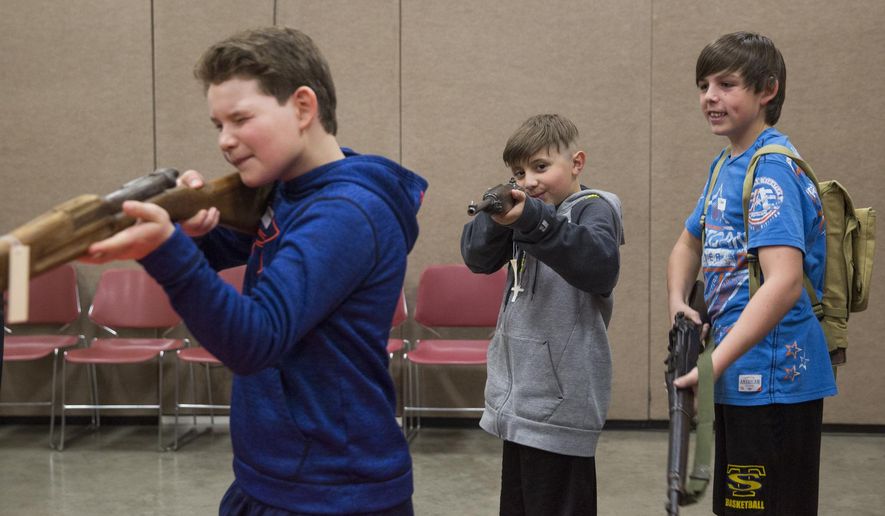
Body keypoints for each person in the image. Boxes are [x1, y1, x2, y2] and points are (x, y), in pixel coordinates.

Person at [83, 26, 427, 515]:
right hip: (272, 474)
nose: (225, 141)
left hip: (334, 490)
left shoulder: (348, 212)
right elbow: (232, 263)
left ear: (304, 107)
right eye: (217, 124)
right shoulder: (290, 189)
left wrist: (164, 245)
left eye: (241, 119)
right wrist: (192, 232)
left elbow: (254, 340)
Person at [667, 32, 837, 515]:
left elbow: (783, 282)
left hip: (774, 382)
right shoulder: (727, 164)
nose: (710, 97)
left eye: (727, 84)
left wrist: (713, 365)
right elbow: (687, 242)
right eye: (703, 85)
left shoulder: (772, 170)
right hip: (739, 372)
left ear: (767, 90)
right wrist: (679, 302)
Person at [461, 113, 624, 515]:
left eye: (540, 167)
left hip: (562, 404)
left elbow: (600, 265)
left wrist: (536, 220)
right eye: (519, 172)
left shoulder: (595, 209)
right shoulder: (525, 212)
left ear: (576, 163)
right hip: (520, 403)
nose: (529, 181)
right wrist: (496, 219)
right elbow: (477, 259)